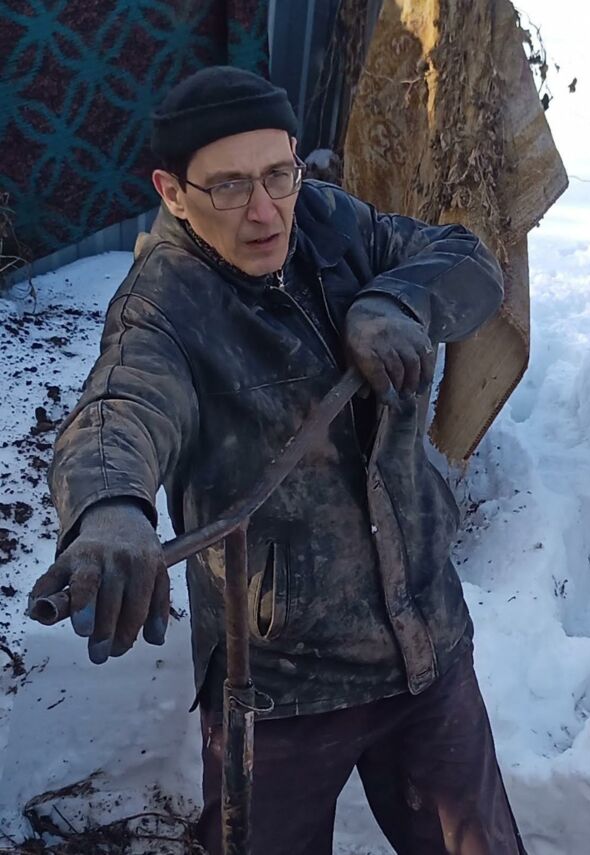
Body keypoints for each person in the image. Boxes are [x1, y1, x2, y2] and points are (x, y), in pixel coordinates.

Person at [29, 66, 527, 855]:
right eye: (229, 187)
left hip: (426, 641)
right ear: (172, 192)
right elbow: (121, 407)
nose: (265, 211)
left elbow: (466, 261)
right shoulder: (164, 305)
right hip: (280, 690)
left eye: (277, 175)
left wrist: (396, 300)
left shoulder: (334, 222)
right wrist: (110, 509)